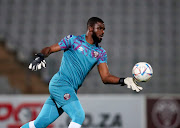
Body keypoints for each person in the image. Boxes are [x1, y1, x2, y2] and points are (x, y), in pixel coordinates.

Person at [21, 17, 142, 128]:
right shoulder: (73, 40)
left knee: (39, 124)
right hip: (61, 84)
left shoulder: (100, 53)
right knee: (79, 116)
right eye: (99, 28)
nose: (103, 32)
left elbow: (105, 77)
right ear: (90, 28)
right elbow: (50, 49)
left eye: (104, 29)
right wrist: (41, 55)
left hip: (69, 89)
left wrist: (124, 80)